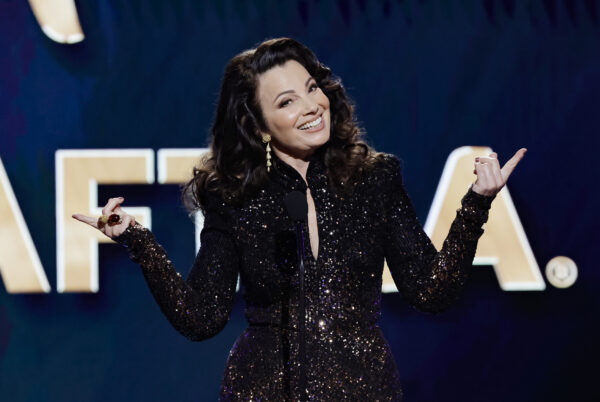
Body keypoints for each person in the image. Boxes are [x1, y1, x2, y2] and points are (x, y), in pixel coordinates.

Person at [73, 38, 526, 401]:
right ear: (258, 126)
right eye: (288, 101)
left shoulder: (375, 178)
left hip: (363, 388)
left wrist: (476, 204)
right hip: (262, 388)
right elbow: (202, 318)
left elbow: (431, 291)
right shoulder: (234, 198)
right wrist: (138, 241)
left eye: (313, 88)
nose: (312, 106)